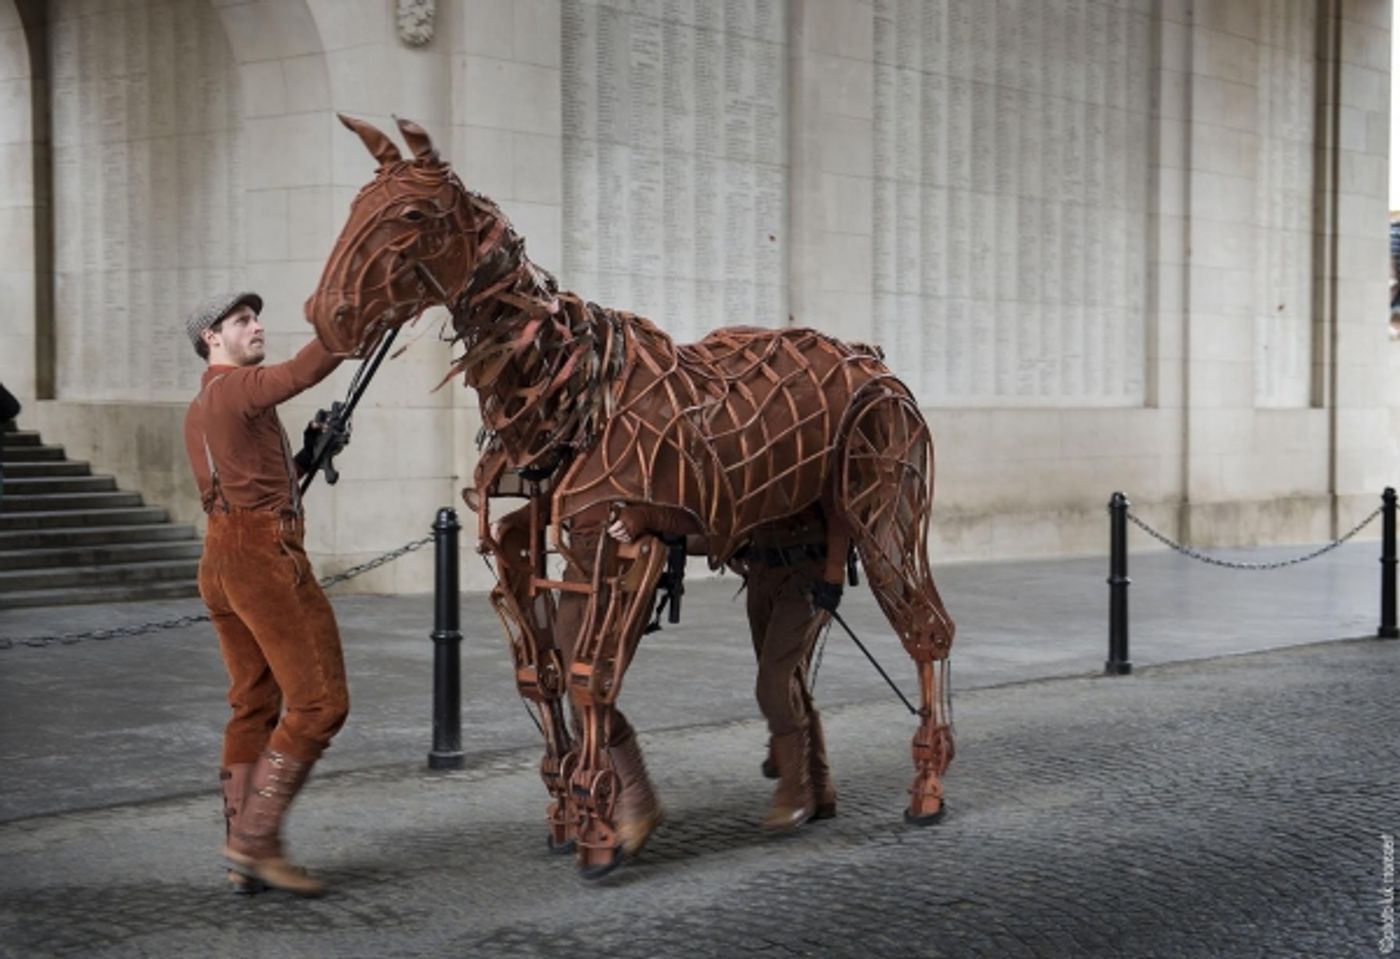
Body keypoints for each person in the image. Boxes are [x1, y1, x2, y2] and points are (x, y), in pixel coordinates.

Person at [182, 291, 348, 897]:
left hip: (222, 558)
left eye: (256, 317)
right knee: (320, 703)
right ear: (211, 339)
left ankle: (240, 853)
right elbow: (301, 372)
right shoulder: (236, 389)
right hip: (263, 560)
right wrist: (344, 328)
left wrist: (308, 453)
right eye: (240, 322)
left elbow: (249, 487)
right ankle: (255, 839)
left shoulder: (202, 406)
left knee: (252, 705)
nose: (256, 326)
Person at [741, 505, 838, 830]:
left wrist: (834, 576)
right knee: (790, 678)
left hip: (806, 571)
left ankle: (796, 793)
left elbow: (838, 505)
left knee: (774, 682)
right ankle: (821, 787)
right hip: (760, 571)